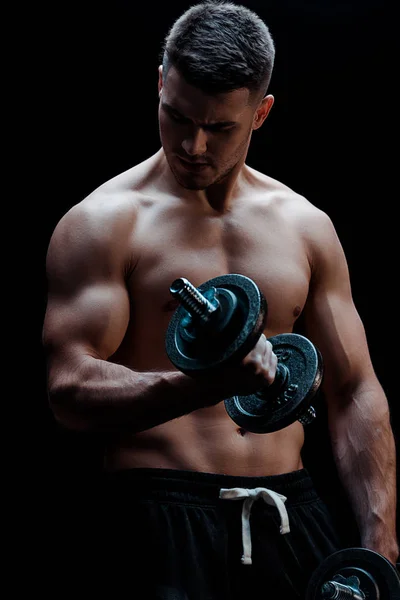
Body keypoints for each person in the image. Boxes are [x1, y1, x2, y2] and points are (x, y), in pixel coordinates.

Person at [42, 1, 398, 597]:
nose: (193, 145)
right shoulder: (104, 224)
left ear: (261, 113)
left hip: (290, 513)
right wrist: (205, 385)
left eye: (219, 127)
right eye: (176, 116)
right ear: (160, 83)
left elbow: (353, 388)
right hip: (158, 518)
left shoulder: (305, 227)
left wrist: (378, 541)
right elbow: (69, 389)